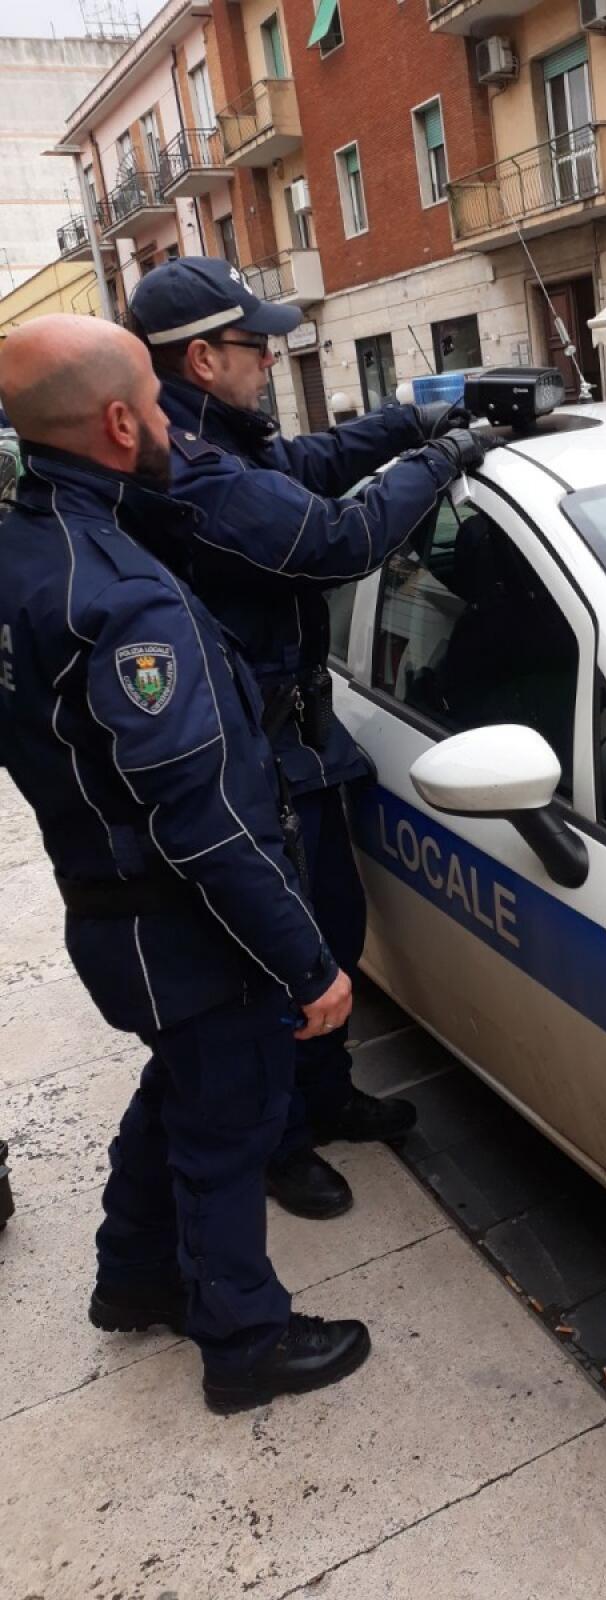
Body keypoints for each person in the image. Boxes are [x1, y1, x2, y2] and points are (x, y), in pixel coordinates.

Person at [0, 315, 368, 1412]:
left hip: (113, 908)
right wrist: (309, 965)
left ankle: (134, 1276)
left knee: (181, 1092)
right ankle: (245, 1339)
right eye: (157, 407)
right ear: (119, 422)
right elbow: (203, 824)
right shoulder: (120, 593)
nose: (171, 422)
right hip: (184, 925)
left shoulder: (28, 550)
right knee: (229, 1127)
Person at [128, 258, 485, 1224]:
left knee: (333, 930)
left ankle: (326, 1097)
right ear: (203, 358)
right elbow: (333, 537)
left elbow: (312, 464)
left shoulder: (221, 438)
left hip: (299, 740)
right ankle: (284, 1142)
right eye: (256, 346)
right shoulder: (187, 467)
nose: (270, 360)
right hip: (250, 755)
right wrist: (445, 459)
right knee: (285, 962)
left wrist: (417, 418)